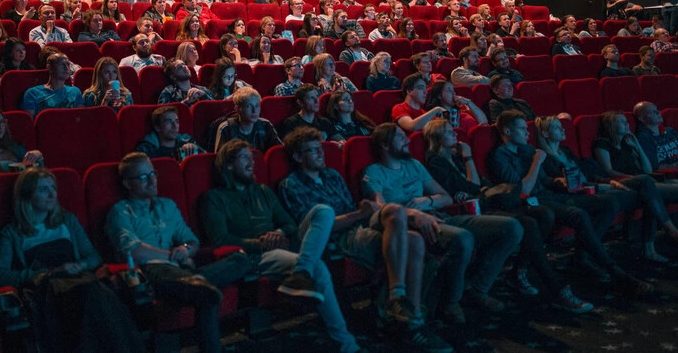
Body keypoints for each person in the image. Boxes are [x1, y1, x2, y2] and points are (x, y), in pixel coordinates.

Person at [279, 127, 453, 351]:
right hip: (338, 236)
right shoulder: (291, 184)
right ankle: (411, 321)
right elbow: (315, 228)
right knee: (414, 242)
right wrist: (359, 214)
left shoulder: (332, 175)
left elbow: (356, 211)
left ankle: (399, 303)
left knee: (399, 216)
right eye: (313, 151)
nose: (321, 154)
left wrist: (364, 213)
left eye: (320, 149)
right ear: (297, 156)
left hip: (358, 225)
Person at [202, 139, 364, 353]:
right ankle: (347, 345)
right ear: (228, 165)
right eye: (244, 158)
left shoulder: (263, 191)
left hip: (285, 243)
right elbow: (221, 239)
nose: (252, 162)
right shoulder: (214, 198)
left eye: (252, 157)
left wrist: (278, 233)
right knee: (319, 269)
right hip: (256, 256)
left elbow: (288, 223)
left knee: (324, 211)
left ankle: (301, 272)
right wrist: (260, 243)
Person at [423, 119, 593, 312]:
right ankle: (556, 289)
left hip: (491, 202)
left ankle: (519, 271)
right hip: (477, 210)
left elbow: (479, 184)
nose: (455, 133)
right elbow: (472, 187)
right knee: (528, 223)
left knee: (543, 214)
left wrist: (469, 168)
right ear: (436, 138)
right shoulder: (437, 162)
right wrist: (469, 158)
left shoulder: (456, 157)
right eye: (447, 131)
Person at [363, 123, 523, 321]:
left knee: (512, 228)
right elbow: (380, 209)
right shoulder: (374, 171)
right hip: (413, 225)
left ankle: (477, 288)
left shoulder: (414, 165)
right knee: (463, 238)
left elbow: (446, 198)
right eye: (400, 137)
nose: (407, 140)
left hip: (440, 214)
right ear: (385, 145)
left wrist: (427, 200)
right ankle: (451, 302)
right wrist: (413, 213)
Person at [489, 110, 652, 294]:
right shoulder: (500, 156)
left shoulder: (526, 149)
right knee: (578, 215)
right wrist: (536, 162)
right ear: (507, 132)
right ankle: (615, 271)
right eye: (521, 129)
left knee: (609, 202)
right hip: (531, 203)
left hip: (550, 195)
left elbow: (544, 181)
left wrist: (559, 181)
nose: (527, 133)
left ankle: (582, 257)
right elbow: (523, 190)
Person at [0, 167, 144, 352]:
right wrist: (44, 273)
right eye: (43, 189)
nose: (51, 194)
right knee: (93, 295)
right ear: (27, 196)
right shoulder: (12, 233)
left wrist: (80, 264)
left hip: (80, 280)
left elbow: (93, 256)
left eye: (53, 188)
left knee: (95, 294)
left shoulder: (66, 220)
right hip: (49, 290)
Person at [107, 153, 248, 353]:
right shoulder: (121, 211)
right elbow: (133, 250)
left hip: (183, 269)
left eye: (152, 174)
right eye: (143, 177)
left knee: (240, 259)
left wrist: (185, 249)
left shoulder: (168, 206)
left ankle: (198, 282)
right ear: (127, 184)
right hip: (151, 272)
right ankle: (199, 285)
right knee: (205, 294)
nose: (152, 180)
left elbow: (191, 240)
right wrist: (171, 255)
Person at [539, 114, 678, 264]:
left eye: (561, 125)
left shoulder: (566, 151)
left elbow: (590, 175)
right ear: (545, 134)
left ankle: (660, 240)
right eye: (556, 127)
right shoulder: (544, 158)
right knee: (648, 190)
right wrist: (609, 184)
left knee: (647, 187)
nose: (562, 129)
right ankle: (663, 237)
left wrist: (610, 182)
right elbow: (571, 185)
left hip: (602, 185)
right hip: (590, 192)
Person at [214, 88, 281, 153]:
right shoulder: (226, 128)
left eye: (257, 106)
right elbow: (221, 160)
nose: (254, 111)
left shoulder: (266, 125)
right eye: (249, 106)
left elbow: (278, 152)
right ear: (237, 109)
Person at [21, 52, 83, 117]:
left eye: (68, 64)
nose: (66, 68)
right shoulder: (33, 93)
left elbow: (80, 120)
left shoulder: (75, 92)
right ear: (49, 68)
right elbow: (28, 124)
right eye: (61, 64)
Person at [135, 107, 203, 161]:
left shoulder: (187, 142)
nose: (175, 126)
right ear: (157, 127)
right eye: (169, 122)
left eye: (177, 121)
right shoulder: (147, 150)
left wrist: (195, 148)